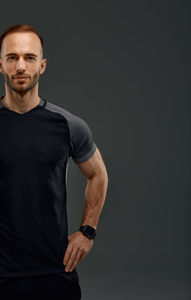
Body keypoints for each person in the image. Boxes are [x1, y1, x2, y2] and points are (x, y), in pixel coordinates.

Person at [0, 24, 108, 300]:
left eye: (29, 57)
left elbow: (98, 175)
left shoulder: (69, 125)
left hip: (54, 273)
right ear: (0, 64)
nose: (21, 66)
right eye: (12, 57)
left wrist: (88, 231)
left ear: (43, 66)